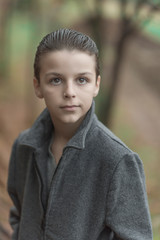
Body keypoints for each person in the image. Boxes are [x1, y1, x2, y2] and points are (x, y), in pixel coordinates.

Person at [7, 28, 153, 240]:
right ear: (37, 86)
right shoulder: (24, 146)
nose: (69, 92)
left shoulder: (118, 160)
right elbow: (19, 216)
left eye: (81, 80)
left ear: (96, 85)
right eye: (56, 80)